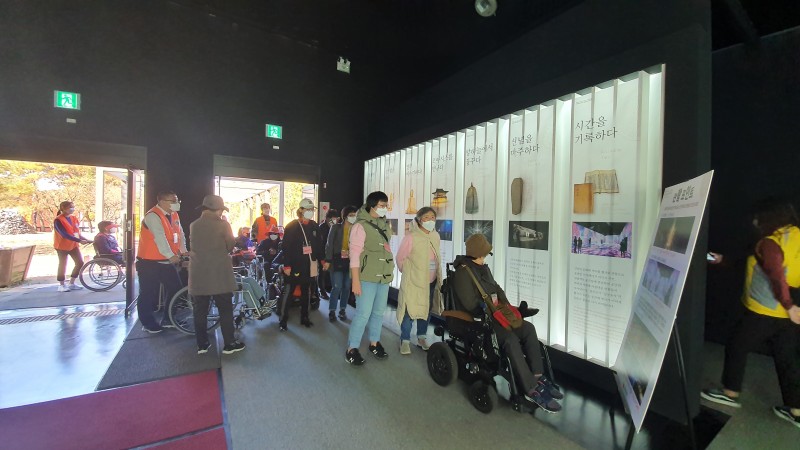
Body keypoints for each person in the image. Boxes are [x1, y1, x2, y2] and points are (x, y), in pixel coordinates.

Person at [701, 198, 800, 428]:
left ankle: (730, 392)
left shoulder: (770, 242)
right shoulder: (794, 235)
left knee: (737, 345)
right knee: (787, 359)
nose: (755, 222)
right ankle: (796, 410)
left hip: (764, 310)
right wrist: (716, 259)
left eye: (758, 218)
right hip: (788, 315)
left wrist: (788, 305)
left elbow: (776, 274)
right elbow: (749, 262)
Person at [451, 234, 562, 413]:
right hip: (483, 320)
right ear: (478, 252)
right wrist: (491, 309)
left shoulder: (483, 268)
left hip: (498, 314)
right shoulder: (463, 273)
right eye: (484, 253)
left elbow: (497, 289)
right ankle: (530, 389)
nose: (485, 257)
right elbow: (470, 304)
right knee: (510, 340)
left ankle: (537, 376)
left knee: (528, 328)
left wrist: (511, 310)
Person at [189, 195, 245, 355]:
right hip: (220, 273)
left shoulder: (194, 225)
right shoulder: (223, 225)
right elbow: (230, 245)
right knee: (225, 309)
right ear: (218, 210)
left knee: (200, 311)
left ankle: (202, 344)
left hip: (199, 273)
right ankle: (229, 344)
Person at [346, 191, 395, 366]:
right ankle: (352, 348)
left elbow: (384, 247)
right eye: (381, 205)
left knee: (379, 312)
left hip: (383, 276)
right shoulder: (360, 226)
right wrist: (355, 281)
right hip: (366, 277)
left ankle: (374, 342)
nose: (384, 208)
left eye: (386, 205)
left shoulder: (384, 224)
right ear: (371, 206)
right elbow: (354, 255)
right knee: (363, 314)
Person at [135, 191, 187, 333]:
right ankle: (147, 323)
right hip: (148, 262)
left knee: (175, 288)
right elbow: (160, 237)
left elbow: (180, 234)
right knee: (148, 292)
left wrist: (183, 250)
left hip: (165, 261)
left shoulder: (174, 215)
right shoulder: (153, 216)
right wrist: (170, 255)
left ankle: (169, 318)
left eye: (177, 200)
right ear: (162, 202)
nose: (177, 203)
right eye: (173, 201)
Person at [396, 206, 443, 354]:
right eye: (426, 217)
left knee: (426, 309)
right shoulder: (411, 237)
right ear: (419, 220)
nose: (430, 220)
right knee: (409, 310)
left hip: (431, 281)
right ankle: (405, 340)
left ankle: (421, 337)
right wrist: (409, 272)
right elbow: (400, 258)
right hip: (414, 281)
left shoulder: (435, 236)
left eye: (432, 217)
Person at [279, 198, 328, 331]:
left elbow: (319, 245)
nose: (310, 211)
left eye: (312, 209)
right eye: (308, 209)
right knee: (289, 291)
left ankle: (305, 317)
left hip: (309, 264)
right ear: (301, 210)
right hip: (294, 264)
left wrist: (322, 260)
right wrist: (287, 265)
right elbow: (286, 247)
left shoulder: (314, 226)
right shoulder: (292, 226)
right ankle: (283, 320)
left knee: (306, 291)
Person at [325, 206, 356, 322]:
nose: (353, 217)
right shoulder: (336, 227)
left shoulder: (356, 229)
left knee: (347, 286)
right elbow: (329, 245)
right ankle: (332, 310)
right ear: (345, 216)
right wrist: (328, 260)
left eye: (355, 215)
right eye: (351, 215)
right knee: (337, 286)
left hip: (350, 262)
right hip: (336, 261)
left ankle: (342, 309)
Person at [53, 201, 92, 292]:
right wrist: (79, 240)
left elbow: (76, 233)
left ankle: (71, 283)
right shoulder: (58, 220)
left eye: (73, 207)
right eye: (70, 207)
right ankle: (61, 285)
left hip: (73, 245)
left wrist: (85, 239)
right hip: (61, 246)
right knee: (63, 264)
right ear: (63, 208)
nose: (72, 209)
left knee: (79, 262)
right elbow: (64, 234)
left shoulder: (73, 218)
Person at [317, 208, 339, 300]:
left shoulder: (336, 227)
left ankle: (330, 290)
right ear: (327, 218)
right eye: (332, 219)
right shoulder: (321, 228)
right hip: (323, 255)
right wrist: (322, 258)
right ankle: (322, 291)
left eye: (335, 219)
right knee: (322, 273)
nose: (334, 221)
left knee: (332, 273)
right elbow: (320, 245)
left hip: (333, 255)